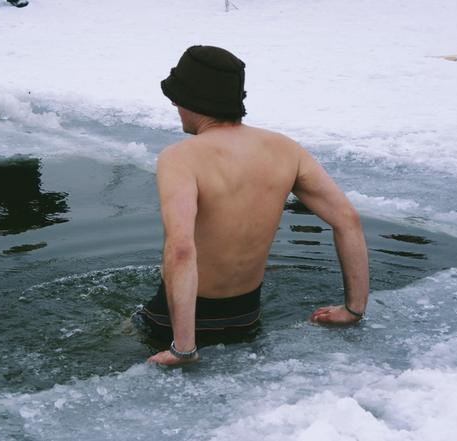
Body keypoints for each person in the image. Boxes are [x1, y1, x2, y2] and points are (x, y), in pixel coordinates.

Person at [138, 45, 369, 366]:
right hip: (245, 316)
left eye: (176, 97)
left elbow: (180, 250)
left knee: (117, 336)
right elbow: (348, 219)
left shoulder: (180, 158)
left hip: (174, 324)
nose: (175, 104)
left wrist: (183, 348)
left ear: (192, 99)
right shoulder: (286, 150)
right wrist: (353, 309)